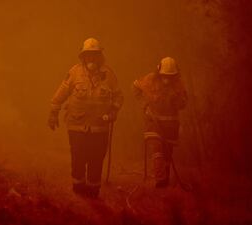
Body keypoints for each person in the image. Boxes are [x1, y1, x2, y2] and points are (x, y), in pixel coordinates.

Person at [48, 38, 123, 197]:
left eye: (94, 55)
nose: (91, 58)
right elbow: (60, 94)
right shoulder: (74, 72)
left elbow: (118, 97)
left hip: (100, 128)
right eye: (88, 55)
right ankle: (78, 189)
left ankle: (93, 191)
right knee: (78, 157)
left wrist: (113, 112)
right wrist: (53, 113)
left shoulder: (108, 75)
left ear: (99, 56)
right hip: (76, 125)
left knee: (96, 159)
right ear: (83, 56)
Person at [132, 57, 187, 188]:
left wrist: (177, 100)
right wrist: (144, 105)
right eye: (164, 76)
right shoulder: (150, 79)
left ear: (175, 75)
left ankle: (165, 178)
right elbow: (135, 87)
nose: (167, 80)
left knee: (167, 154)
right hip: (153, 124)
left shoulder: (179, 85)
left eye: (170, 76)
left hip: (170, 126)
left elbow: (184, 103)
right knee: (157, 151)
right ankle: (160, 181)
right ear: (159, 73)